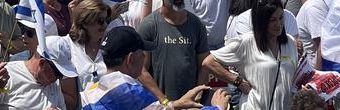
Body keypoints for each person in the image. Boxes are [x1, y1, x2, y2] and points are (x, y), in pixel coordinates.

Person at [81, 26, 229, 110]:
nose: (145, 58)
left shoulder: (92, 89)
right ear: (131, 59)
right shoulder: (129, 91)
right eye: (142, 53)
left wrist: (176, 104)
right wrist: (217, 108)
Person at [203, 0, 299, 109]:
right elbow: (209, 62)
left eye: (281, 18)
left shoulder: (290, 43)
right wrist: (237, 81)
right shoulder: (247, 42)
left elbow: (294, 77)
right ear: (262, 21)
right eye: (273, 20)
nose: (279, 24)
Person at [137, 0, 210, 102]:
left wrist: (197, 94)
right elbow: (141, 69)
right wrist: (163, 100)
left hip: (191, 102)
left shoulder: (196, 24)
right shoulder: (149, 25)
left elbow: (204, 64)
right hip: (162, 103)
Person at [60, 0, 112, 91]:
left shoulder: (112, 42)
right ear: (85, 22)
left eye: (106, 20)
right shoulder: (67, 45)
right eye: (100, 21)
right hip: (83, 104)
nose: (105, 25)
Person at [294, 0, 328, 69]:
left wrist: (317, 77)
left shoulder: (313, 7)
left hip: (312, 74)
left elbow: (323, 44)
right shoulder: (312, 4)